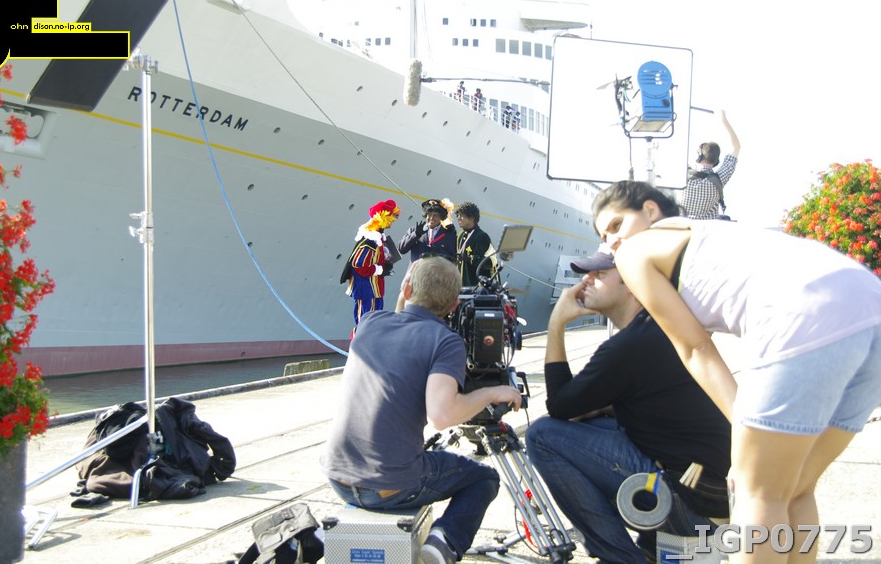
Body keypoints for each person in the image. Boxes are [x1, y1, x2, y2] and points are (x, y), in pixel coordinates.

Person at [591, 179, 881, 564]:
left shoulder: (635, 251)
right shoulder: (710, 232)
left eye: (615, 225)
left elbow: (694, 348)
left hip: (805, 312)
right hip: (870, 308)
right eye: (603, 236)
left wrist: (742, 429)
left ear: (650, 210)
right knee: (796, 488)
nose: (612, 242)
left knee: (755, 491)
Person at [525, 245, 731, 564]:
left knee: (543, 435)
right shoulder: (658, 327)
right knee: (592, 423)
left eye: (599, 273)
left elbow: (560, 406)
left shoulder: (629, 346)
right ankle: (650, 544)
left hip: (693, 509)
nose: (586, 280)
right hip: (711, 498)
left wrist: (557, 322)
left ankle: (619, 557)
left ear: (633, 283)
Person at [322, 257, 523, 564]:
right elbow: (442, 416)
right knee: (484, 478)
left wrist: (408, 286)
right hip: (390, 486)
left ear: (406, 289)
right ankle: (442, 544)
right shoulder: (446, 342)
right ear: (454, 305)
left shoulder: (369, 323)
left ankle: (316, 538)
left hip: (339, 478)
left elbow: (402, 323)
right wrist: (492, 392)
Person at [341, 199, 400, 334]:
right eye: (390, 219)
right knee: (365, 323)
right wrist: (380, 270)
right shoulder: (370, 242)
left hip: (374, 288)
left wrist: (384, 266)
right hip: (366, 289)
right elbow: (359, 265)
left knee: (374, 323)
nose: (392, 222)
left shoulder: (377, 240)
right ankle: (360, 345)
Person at [679, 110, 741, 220]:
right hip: (707, 228)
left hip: (683, 227)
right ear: (716, 161)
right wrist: (724, 120)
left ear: (698, 157)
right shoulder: (719, 180)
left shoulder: (683, 175)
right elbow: (736, 147)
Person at [398, 198, 457, 263]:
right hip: (417, 269)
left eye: (435, 215)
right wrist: (415, 235)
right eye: (429, 215)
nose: (431, 218)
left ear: (441, 217)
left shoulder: (449, 235)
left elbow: (453, 259)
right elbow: (401, 250)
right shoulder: (414, 230)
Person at [454, 201, 493, 286]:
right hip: (461, 286)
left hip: (475, 287)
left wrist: (470, 259)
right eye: (458, 215)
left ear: (472, 218)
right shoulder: (461, 235)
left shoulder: (482, 236)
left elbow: (491, 262)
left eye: (462, 216)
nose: (458, 218)